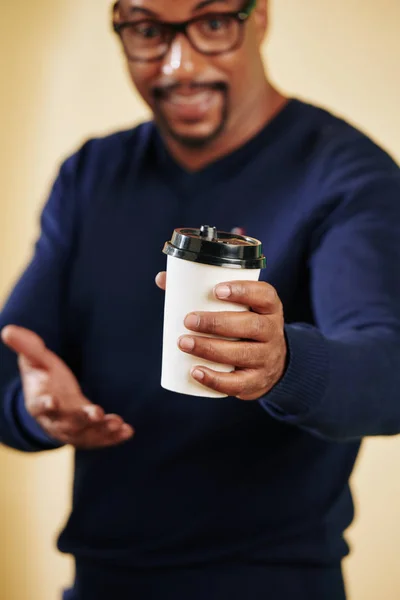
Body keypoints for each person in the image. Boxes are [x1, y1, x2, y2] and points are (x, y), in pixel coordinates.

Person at [1, 0, 399, 598]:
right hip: (101, 581)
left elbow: (389, 374)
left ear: (259, 16)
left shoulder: (347, 175)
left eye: (212, 24)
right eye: (148, 31)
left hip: (274, 585)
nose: (179, 66)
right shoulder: (92, 173)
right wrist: (32, 410)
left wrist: (283, 363)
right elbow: (14, 368)